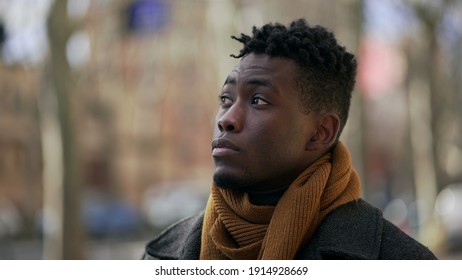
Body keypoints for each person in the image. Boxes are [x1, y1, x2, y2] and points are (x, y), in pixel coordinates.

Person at [143, 19, 437, 260]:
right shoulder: (161, 256)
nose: (226, 119)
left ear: (321, 132)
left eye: (258, 100)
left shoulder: (398, 261)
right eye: (225, 99)